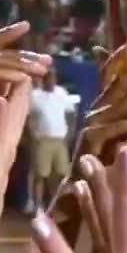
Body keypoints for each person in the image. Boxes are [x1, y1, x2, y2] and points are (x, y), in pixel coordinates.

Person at [28, 68, 79, 212]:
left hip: (60, 140)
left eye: (54, 78)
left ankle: (56, 205)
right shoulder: (35, 96)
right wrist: (32, 135)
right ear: (43, 80)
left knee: (62, 174)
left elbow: (71, 114)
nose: (51, 80)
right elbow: (28, 118)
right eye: (49, 78)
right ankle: (38, 207)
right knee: (40, 175)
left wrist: (70, 134)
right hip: (42, 140)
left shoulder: (62, 93)